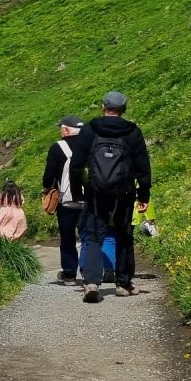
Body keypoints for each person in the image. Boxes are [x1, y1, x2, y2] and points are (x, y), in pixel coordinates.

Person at [73, 90, 153, 303]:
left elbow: (76, 165)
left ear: (103, 107)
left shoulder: (90, 129)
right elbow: (143, 167)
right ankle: (123, 284)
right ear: (123, 109)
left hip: (96, 193)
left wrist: (77, 192)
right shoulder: (132, 132)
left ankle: (91, 282)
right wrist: (143, 194)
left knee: (93, 236)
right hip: (124, 193)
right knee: (124, 236)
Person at [43, 115, 86, 283]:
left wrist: (46, 189)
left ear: (66, 129)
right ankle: (88, 271)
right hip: (90, 198)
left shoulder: (58, 147)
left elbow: (49, 175)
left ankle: (69, 272)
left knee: (67, 236)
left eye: (60, 127)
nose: (60, 130)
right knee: (87, 236)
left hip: (66, 199)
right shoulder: (90, 144)